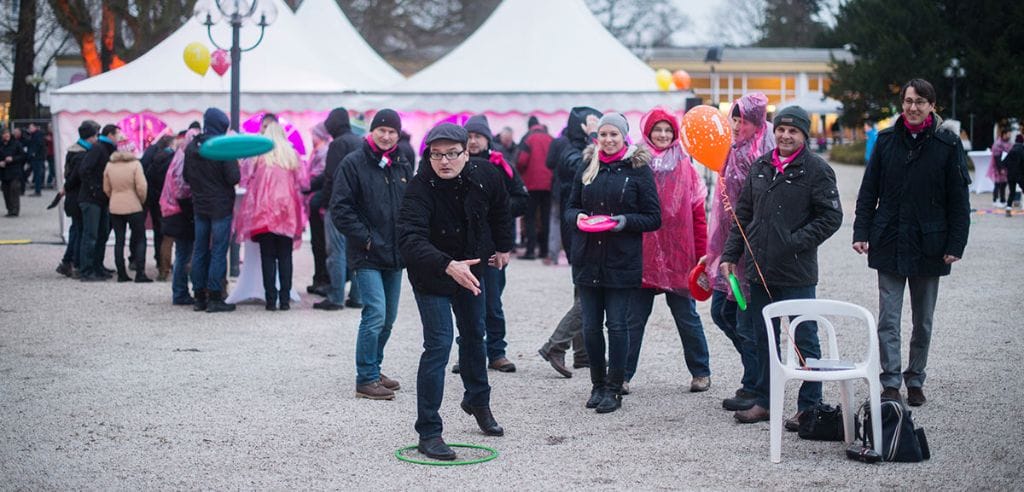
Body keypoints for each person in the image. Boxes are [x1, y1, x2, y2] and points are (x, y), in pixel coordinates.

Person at [721, 105, 843, 425]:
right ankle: (765, 400)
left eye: (793, 131)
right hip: (760, 270)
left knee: (805, 339)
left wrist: (794, 241)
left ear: (804, 135)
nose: (786, 135)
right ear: (774, 132)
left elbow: (831, 217)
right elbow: (742, 214)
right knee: (764, 337)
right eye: (781, 130)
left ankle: (809, 405)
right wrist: (730, 255)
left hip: (796, 271)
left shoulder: (816, 169)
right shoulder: (761, 166)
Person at [397, 122, 512, 461]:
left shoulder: (485, 174)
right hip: (432, 273)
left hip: (472, 268)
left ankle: (479, 401)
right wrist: (447, 264)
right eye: (436, 154)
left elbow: (501, 207)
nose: (444, 161)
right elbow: (409, 239)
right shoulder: (419, 188)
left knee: (476, 335)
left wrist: (504, 246)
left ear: (466, 152)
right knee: (438, 346)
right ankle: (428, 431)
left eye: (451, 154)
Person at [852, 78, 971, 406]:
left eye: (920, 101)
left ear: (932, 105)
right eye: (908, 101)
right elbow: (869, 190)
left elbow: (959, 200)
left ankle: (915, 378)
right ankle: (890, 381)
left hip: (930, 243)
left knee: (924, 320)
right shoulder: (887, 140)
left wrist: (955, 244)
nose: (913, 107)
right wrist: (861, 232)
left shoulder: (947, 144)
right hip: (889, 238)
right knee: (888, 318)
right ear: (901, 104)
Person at [566, 113, 661, 414]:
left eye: (613, 135)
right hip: (587, 258)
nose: (607, 140)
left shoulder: (638, 168)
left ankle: (614, 387)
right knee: (591, 327)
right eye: (603, 135)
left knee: (617, 326)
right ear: (597, 138)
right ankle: (597, 384)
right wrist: (578, 218)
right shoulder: (587, 165)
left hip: (622, 260)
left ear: (624, 137)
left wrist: (623, 221)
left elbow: (653, 217)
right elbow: (570, 207)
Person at [624, 108, 711, 395]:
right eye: (657, 130)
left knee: (686, 316)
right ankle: (622, 375)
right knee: (633, 318)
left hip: (678, 254)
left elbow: (698, 212)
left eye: (668, 130)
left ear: (674, 134)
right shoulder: (635, 164)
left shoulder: (685, 165)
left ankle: (701, 371)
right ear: (648, 132)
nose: (663, 135)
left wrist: (702, 254)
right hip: (642, 254)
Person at [330, 109, 412, 400]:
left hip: (395, 252)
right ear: (371, 131)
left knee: (388, 318)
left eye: (392, 131)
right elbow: (340, 207)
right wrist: (364, 238)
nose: (387, 136)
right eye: (382, 130)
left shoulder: (402, 162)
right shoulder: (353, 163)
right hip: (367, 252)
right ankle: (365, 378)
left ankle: (374, 368)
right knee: (375, 312)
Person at [703, 92, 774, 412]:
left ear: (756, 122)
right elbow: (721, 206)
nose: (735, 124)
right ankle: (757, 376)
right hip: (730, 253)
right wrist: (715, 250)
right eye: (733, 118)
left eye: (742, 119)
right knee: (721, 312)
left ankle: (757, 387)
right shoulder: (732, 150)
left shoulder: (762, 155)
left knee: (747, 322)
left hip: (751, 256)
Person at [449, 114, 528, 374]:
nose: (472, 141)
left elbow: (521, 199)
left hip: (493, 247)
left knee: (492, 301)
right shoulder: (454, 165)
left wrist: (498, 209)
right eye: (469, 136)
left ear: (487, 139)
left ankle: (496, 352)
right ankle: (469, 353)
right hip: (463, 249)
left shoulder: (500, 164)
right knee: (466, 301)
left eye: (477, 137)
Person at [537, 106, 601, 377]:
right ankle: (555, 345)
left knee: (583, 289)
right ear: (580, 125)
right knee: (589, 292)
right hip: (577, 229)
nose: (597, 127)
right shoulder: (568, 147)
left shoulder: (576, 145)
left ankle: (583, 354)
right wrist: (596, 139)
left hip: (583, 228)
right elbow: (582, 169)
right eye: (592, 122)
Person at [234, 120, 306, 311]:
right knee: (285, 257)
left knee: (267, 257)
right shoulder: (292, 156)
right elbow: (303, 182)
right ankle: (284, 300)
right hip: (287, 213)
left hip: (264, 213)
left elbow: (245, 178)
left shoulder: (259, 156)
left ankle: (270, 300)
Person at [184, 108, 240, 313]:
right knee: (218, 251)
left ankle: (199, 296)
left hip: (200, 205)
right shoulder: (223, 147)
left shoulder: (192, 146)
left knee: (199, 250)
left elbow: (186, 177)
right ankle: (215, 297)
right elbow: (233, 177)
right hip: (221, 206)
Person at [314, 107, 364, 310]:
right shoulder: (359, 142)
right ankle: (357, 297)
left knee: (336, 251)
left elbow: (331, 177)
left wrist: (325, 203)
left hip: (339, 205)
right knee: (356, 251)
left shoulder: (337, 144)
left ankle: (335, 296)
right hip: (358, 205)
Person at [76, 124, 121, 281]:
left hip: (102, 199)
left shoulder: (108, 149)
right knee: (91, 235)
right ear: (109, 135)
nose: (119, 138)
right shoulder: (98, 148)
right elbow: (84, 169)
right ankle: (86, 270)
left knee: (102, 233)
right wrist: (95, 189)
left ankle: (97, 266)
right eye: (117, 135)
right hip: (91, 199)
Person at [160, 129, 200, 305]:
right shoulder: (184, 158)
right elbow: (182, 189)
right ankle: (180, 293)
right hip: (179, 213)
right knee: (184, 253)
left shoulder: (178, 155)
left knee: (182, 253)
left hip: (172, 211)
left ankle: (180, 291)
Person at [57, 121, 101, 277]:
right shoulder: (82, 155)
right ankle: (74, 262)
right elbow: (76, 176)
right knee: (80, 231)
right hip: (78, 196)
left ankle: (67, 261)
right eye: (96, 135)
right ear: (90, 137)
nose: (98, 138)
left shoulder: (73, 150)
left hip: (73, 196)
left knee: (76, 229)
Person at [103, 146, 152, 283]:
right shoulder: (135, 164)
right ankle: (140, 273)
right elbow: (142, 187)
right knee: (140, 238)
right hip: (133, 205)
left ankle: (121, 274)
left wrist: (113, 197)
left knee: (119, 240)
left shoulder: (109, 165)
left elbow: (106, 188)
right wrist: (140, 200)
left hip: (115, 206)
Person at [516, 116, 553, 260]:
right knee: (545, 217)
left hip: (531, 184)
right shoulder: (550, 138)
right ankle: (544, 250)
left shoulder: (528, 139)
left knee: (530, 217)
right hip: (548, 184)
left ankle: (530, 251)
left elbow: (521, 161)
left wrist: (521, 172)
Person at [304, 122, 331, 300]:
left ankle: (323, 279)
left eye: (313, 134)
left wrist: (306, 185)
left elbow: (321, 176)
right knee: (317, 244)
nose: (311, 137)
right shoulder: (319, 151)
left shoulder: (324, 151)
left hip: (319, 204)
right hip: (314, 202)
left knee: (320, 243)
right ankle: (318, 278)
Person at [145, 135, 176, 280]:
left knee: (162, 235)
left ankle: (162, 268)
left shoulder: (155, 159)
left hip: (157, 200)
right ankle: (177, 267)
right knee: (177, 237)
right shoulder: (174, 160)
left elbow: (149, 178)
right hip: (172, 202)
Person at [1, 128, 27, 217]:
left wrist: (13, 159)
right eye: (4, 134)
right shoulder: (1, 145)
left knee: (14, 191)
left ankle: (15, 210)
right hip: (4, 173)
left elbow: (23, 156)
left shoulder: (16, 144)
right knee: (6, 192)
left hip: (14, 171)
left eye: (7, 134)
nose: (6, 135)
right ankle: (9, 209)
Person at [989, 128, 1013, 207]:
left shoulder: (1009, 143)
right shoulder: (998, 144)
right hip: (998, 167)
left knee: (1004, 184)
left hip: (1006, 167)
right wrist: (1001, 168)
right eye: (1008, 134)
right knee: (998, 183)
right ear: (1004, 134)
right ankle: (995, 200)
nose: (1009, 136)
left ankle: (1002, 200)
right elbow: (996, 157)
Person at [1002, 135, 1024, 212]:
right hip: (1020, 175)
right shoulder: (1022, 150)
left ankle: (1008, 207)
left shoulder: (1011, 150)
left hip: (1010, 175)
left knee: (1012, 192)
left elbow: (1004, 162)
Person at [25, 123, 46, 196]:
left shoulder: (38, 134)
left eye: (30, 127)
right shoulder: (34, 135)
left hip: (37, 157)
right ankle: (37, 190)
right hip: (35, 157)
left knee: (37, 174)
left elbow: (38, 144)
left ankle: (38, 191)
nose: (29, 129)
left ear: (35, 127)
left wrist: (34, 153)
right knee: (36, 173)